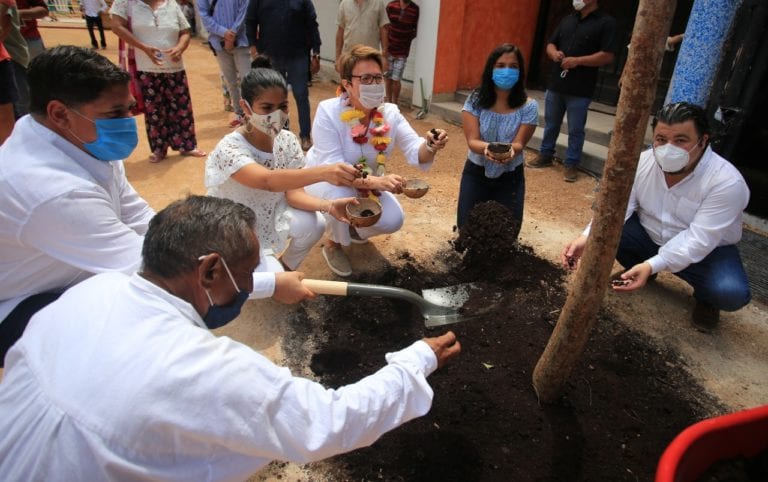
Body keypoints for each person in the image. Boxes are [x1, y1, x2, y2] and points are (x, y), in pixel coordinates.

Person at [0, 194, 461, 480]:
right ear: (210, 269)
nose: (248, 283)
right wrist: (415, 362)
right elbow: (329, 423)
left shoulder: (88, 293)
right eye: (247, 272)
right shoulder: (204, 368)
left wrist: (270, 282)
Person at [0, 46, 312, 365]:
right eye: (114, 115)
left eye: (129, 109)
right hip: (22, 304)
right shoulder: (52, 191)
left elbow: (142, 218)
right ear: (60, 114)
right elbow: (149, 272)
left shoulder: (80, 142)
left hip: (72, 271)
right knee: (160, 314)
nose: (127, 122)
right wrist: (269, 283)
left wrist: (193, 250)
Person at [561, 102, 751, 332]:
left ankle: (706, 300)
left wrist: (653, 264)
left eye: (681, 140)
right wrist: (586, 238)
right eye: (661, 139)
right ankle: (639, 268)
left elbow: (699, 240)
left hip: (707, 252)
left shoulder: (727, 183)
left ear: (703, 141)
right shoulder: (643, 162)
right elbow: (618, 209)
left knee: (729, 291)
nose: (668, 148)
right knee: (609, 227)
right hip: (648, 236)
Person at [304, 44, 448, 277]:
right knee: (342, 196)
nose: (375, 85)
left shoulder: (390, 112)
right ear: (347, 84)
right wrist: (376, 183)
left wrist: (431, 144)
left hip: (367, 182)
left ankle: (353, 230)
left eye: (378, 78)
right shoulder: (328, 111)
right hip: (326, 180)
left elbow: (415, 148)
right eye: (366, 78)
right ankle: (333, 243)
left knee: (394, 219)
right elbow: (335, 170)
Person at [205, 56, 361, 272]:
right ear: (246, 107)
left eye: (283, 106)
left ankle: (283, 270)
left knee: (315, 223)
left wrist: (329, 206)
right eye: (266, 107)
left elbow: (294, 194)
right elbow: (267, 180)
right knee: (254, 284)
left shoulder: (286, 141)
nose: (276, 115)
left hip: (269, 216)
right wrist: (324, 172)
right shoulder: (229, 149)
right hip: (235, 227)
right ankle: (266, 278)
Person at [526, 0, 617, 183]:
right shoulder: (567, 19)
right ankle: (545, 155)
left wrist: (578, 61)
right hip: (556, 84)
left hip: (581, 88)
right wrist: (554, 53)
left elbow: (607, 55)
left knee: (576, 129)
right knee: (551, 123)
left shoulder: (606, 23)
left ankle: (572, 163)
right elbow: (551, 44)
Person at [110, 0, 207, 162]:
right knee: (154, 110)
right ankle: (159, 148)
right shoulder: (126, 3)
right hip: (146, 68)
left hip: (175, 67)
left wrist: (180, 48)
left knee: (181, 108)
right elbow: (116, 26)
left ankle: (187, 145)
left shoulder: (171, 4)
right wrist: (143, 48)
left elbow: (185, 31)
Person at [458, 43, 538, 236]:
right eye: (501, 65)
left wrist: (511, 152)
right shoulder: (475, 101)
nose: (507, 71)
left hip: (511, 176)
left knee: (507, 232)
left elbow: (519, 143)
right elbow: (473, 141)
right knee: (466, 228)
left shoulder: (529, 106)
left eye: (513, 66)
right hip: (476, 172)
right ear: (491, 68)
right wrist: (488, 150)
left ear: (520, 71)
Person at [245, 0, 321, 152]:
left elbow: (312, 24)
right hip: (270, 56)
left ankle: (305, 136)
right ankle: (281, 136)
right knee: (275, 99)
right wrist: (253, 47)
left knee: (301, 95)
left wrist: (316, 53)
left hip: (298, 56)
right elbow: (250, 21)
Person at [197, 0, 250, 128]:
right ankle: (238, 114)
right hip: (218, 42)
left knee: (247, 80)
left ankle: (251, 115)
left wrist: (233, 33)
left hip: (241, 40)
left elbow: (245, 9)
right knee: (230, 81)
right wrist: (224, 33)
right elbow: (204, 16)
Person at [335, 0, 389, 73]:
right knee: (348, 83)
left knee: (369, 83)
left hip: (371, 58)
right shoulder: (344, 4)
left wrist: (384, 57)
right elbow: (340, 31)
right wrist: (338, 58)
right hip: (349, 57)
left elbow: (384, 30)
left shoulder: (378, 3)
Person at [383, 0, 418, 106]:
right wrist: (384, 47)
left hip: (402, 52)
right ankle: (388, 102)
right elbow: (384, 26)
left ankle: (395, 103)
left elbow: (415, 30)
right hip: (389, 49)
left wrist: (405, 40)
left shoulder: (414, 9)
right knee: (388, 78)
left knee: (396, 79)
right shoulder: (391, 5)